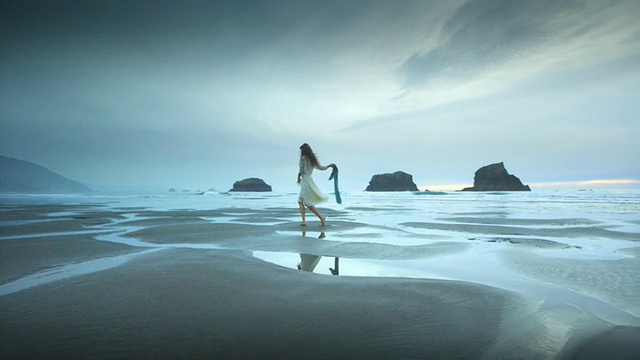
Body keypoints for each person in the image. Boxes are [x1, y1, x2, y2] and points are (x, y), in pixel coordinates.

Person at [297, 143, 334, 226]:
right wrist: (329, 166)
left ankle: (321, 217)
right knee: (300, 201)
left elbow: (301, 170)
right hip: (309, 179)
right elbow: (321, 168)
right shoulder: (312, 159)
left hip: (305, 180)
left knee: (306, 202)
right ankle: (304, 221)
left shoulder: (303, 158)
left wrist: (298, 178)